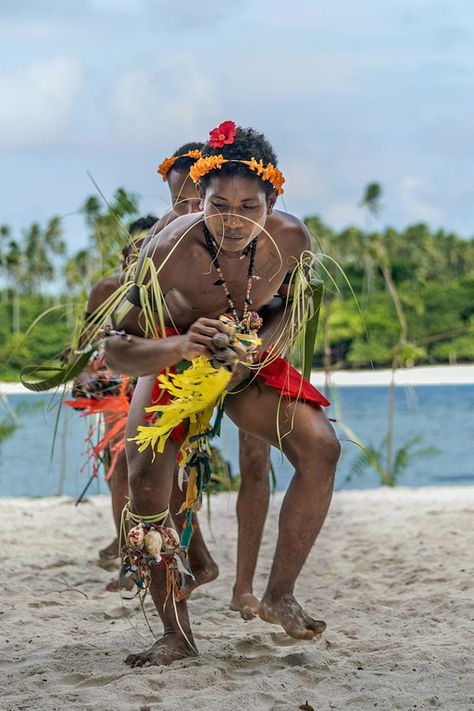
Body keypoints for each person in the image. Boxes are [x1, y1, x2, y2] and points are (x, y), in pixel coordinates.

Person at [105, 122, 340, 666]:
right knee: (145, 487)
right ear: (200, 198)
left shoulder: (291, 238)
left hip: (243, 359)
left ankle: (279, 595)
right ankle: (176, 636)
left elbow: (292, 306)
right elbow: (117, 347)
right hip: (172, 354)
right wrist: (185, 344)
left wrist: (258, 348)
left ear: (272, 200)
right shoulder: (167, 248)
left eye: (249, 206)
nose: (233, 220)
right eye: (219, 205)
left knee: (320, 447)